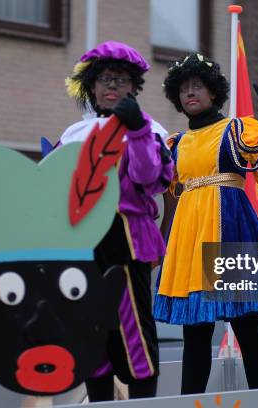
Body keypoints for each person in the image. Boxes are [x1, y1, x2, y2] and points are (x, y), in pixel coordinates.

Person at [154, 53, 258, 394]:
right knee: (196, 331)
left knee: (246, 325)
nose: (191, 93)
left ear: (213, 92)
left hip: (229, 226)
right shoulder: (177, 143)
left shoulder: (235, 130)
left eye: (198, 86)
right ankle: (191, 402)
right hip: (190, 233)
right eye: (184, 88)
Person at [59, 41, 173, 401]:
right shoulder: (73, 135)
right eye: (106, 79)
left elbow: (148, 177)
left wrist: (137, 131)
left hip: (128, 239)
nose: (112, 86)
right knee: (94, 332)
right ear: (91, 86)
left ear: (133, 88)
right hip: (84, 241)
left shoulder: (149, 129)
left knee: (134, 329)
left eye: (122, 80)